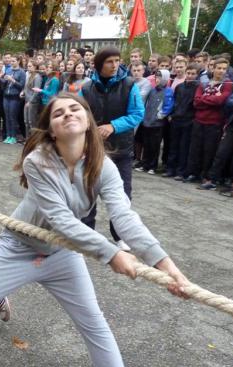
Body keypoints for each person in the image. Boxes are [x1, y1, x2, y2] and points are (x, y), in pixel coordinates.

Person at [0, 92, 189, 367]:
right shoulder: (38, 161)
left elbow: (125, 218)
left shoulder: (104, 166)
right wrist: (111, 254)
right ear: (51, 129)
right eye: (58, 113)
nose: (67, 114)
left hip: (62, 255)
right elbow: (61, 220)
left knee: (93, 323)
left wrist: (168, 266)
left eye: (75, 109)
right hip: (18, 247)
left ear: (88, 121)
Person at [81, 46, 145, 252]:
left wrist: (113, 126)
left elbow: (137, 113)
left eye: (117, 60)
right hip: (93, 149)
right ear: (99, 64)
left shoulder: (129, 85)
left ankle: (120, 235)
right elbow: (80, 114)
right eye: (110, 61)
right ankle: (86, 234)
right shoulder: (87, 88)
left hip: (121, 150)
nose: (115, 65)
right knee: (87, 192)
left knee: (123, 195)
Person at [135, 70, 174, 174]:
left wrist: (160, 116)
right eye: (156, 77)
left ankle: (152, 166)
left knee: (154, 146)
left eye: (160, 77)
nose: (157, 80)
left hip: (157, 124)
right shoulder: (152, 90)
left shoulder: (168, 91)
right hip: (147, 121)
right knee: (146, 144)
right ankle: (145, 164)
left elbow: (168, 106)